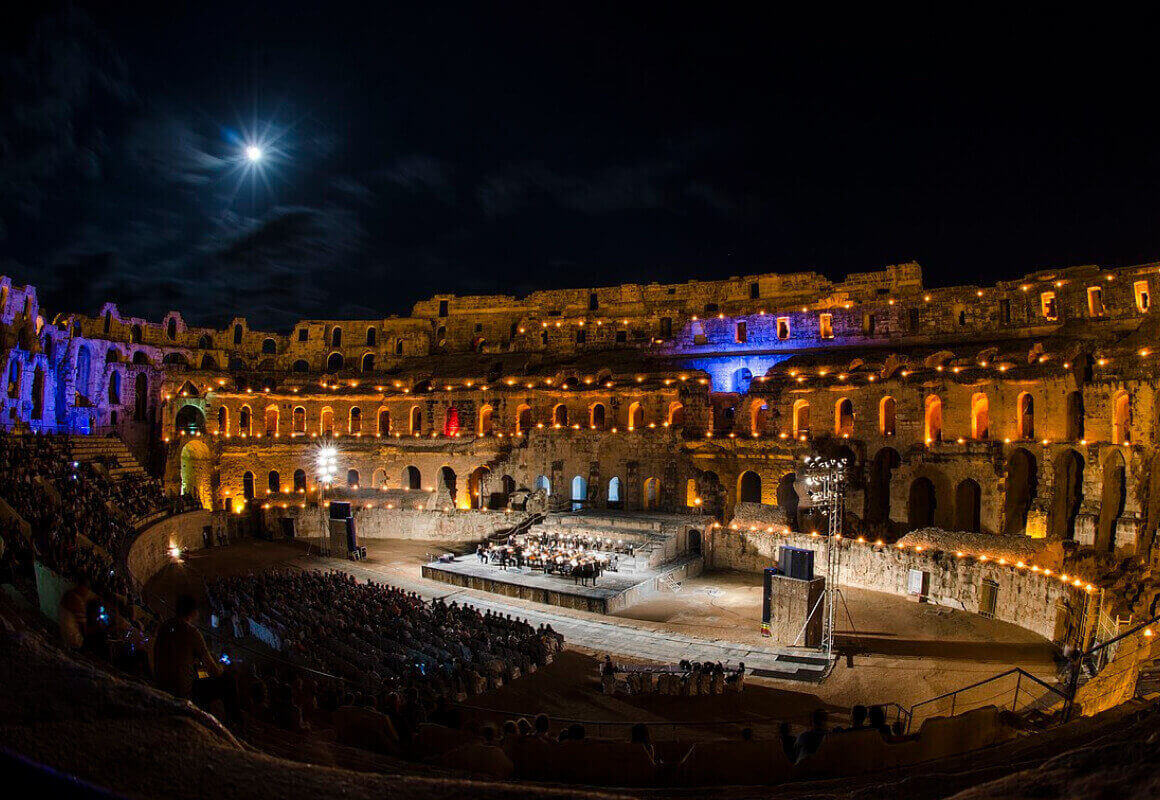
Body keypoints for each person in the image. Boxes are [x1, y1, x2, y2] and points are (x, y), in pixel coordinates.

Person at [154, 594, 236, 719]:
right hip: (183, 691)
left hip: (162, 685)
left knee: (201, 676)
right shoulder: (192, 632)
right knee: (229, 681)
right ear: (192, 612)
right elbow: (213, 670)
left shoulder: (164, 627)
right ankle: (234, 723)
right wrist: (221, 668)